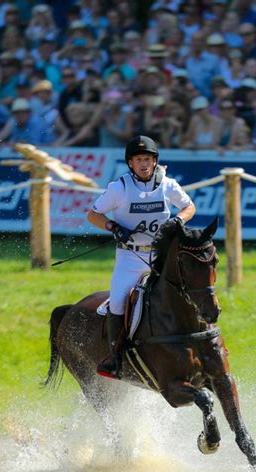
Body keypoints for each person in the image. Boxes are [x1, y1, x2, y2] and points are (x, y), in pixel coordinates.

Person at [86, 135, 196, 378]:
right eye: (139, 160)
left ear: (155, 161)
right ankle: (115, 356)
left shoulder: (169, 186)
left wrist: (178, 220)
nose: (144, 164)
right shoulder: (119, 188)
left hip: (162, 256)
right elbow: (92, 215)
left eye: (148, 159)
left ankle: (200, 342)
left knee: (190, 292)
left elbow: (190, 207)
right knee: (117, 302)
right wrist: (113, 227)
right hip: (130, 258)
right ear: (130, 163)